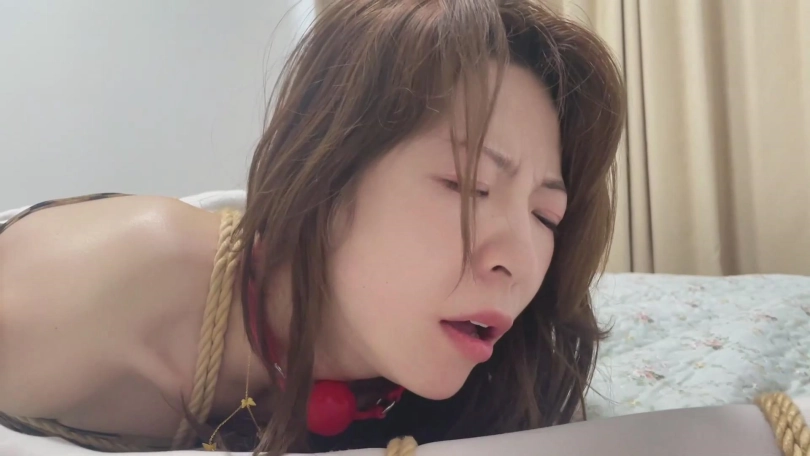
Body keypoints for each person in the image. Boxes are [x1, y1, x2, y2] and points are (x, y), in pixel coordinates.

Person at [0, 1, 804, 456]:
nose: (518, 260)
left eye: (545, 214)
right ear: (326, 172)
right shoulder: (111, 283)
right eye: (467, 185)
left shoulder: (493, 378)